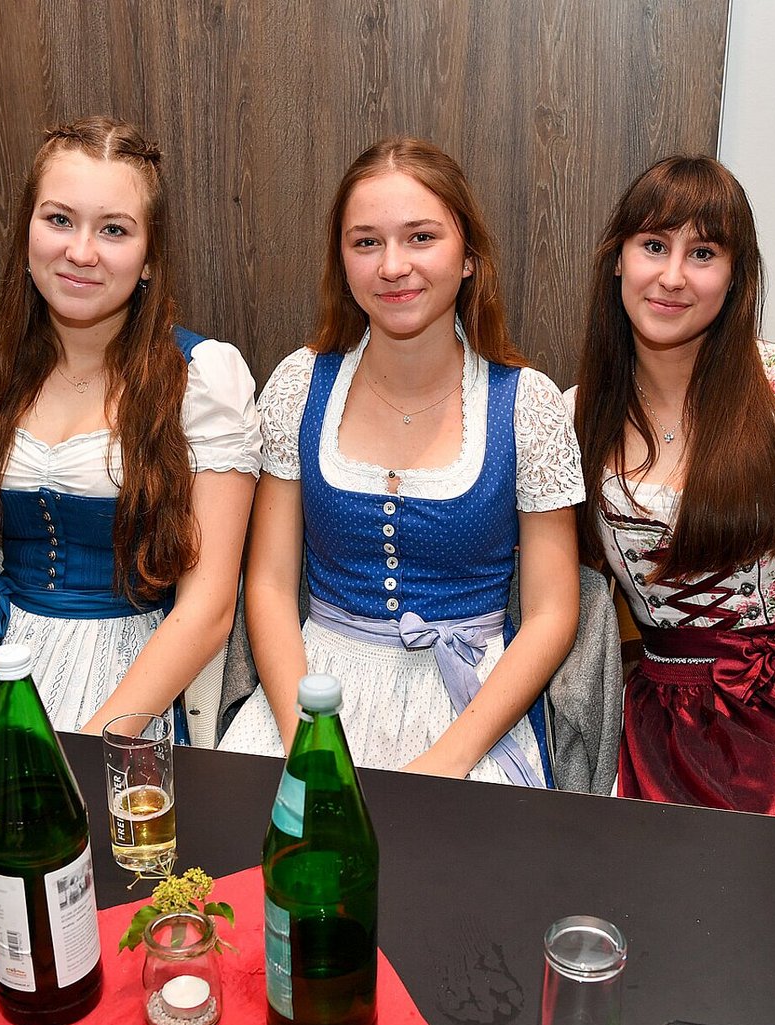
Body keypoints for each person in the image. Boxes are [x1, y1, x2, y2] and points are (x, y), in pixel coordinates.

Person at [218, 137, 582, 785]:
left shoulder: (526, 405)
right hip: (313, 691)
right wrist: (308, 737)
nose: (392, 266)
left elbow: (553, 614)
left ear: (468, 257)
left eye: (421, 238)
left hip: (471, 705)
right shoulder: (301, 385)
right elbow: (270, 584)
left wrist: (451, 758)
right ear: (342, 261)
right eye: (366, 242)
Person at [569, 155, 775, 820]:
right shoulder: (575, 416)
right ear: (617, 260)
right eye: (653, 245)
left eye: (703, 253)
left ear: (734, 275)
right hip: (665, 720)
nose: (672, 276)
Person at [0, 117, 259, 733]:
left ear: (150, 257)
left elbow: (208, 610)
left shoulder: (203, 380)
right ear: (27, 232)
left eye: (114, 230)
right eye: (59, 220)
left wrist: (96, 742)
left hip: (132, 691)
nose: (81, 252)